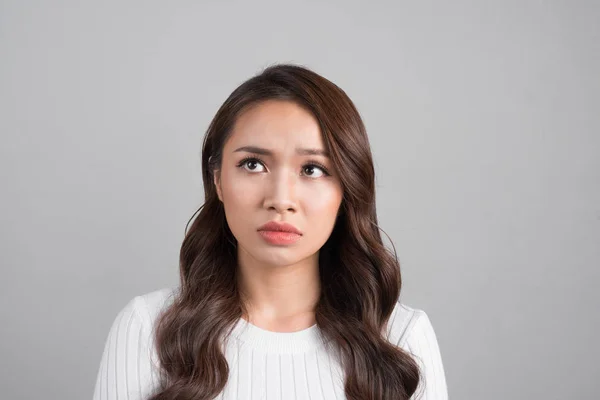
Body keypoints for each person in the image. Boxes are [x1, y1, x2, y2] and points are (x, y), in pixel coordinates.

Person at [92, 63, 448, 400]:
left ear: (347, 188)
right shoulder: (148, 330)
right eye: (253, 164)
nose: (281, 199)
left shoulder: (400, 340)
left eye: (312, 169)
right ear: (217, 179)